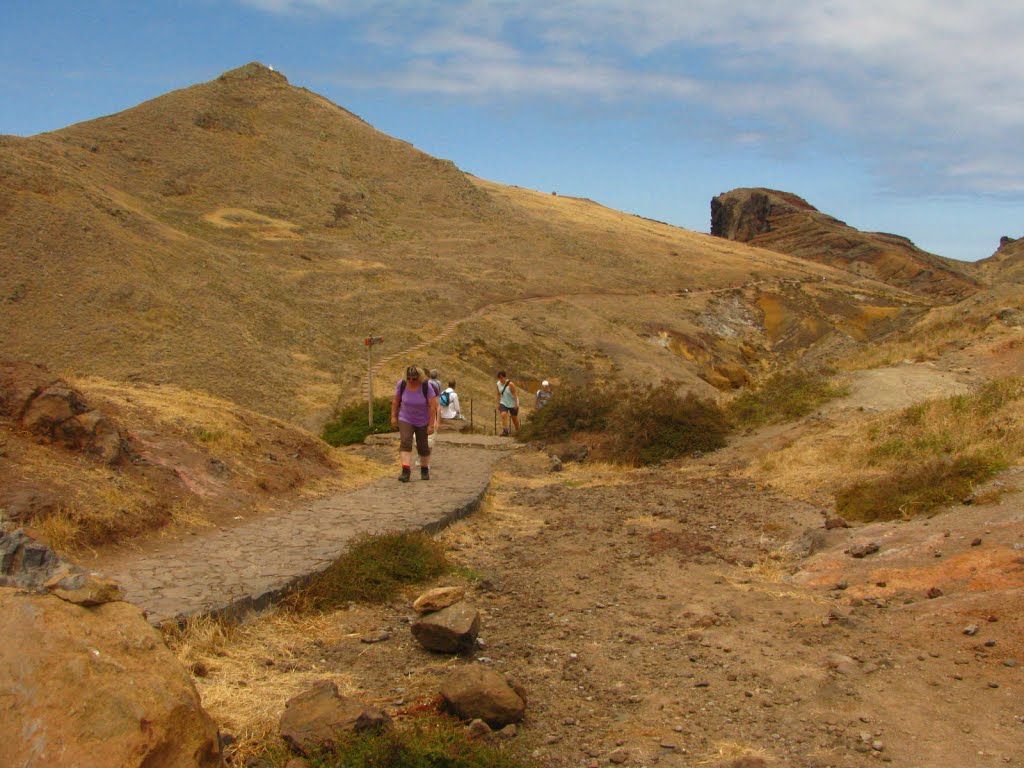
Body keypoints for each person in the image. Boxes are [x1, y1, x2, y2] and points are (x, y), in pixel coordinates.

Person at [391, 365, 438, 482]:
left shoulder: (426, 386)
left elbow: (433, 406)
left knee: (423, 447)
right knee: (405, 441)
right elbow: (396, 400)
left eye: (414, 378)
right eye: (409, 378)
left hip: (422, 420)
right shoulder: (401, 384)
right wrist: (393, 416)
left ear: (419, 378)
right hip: (405, 418)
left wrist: (431, 424)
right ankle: (405, 471)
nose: (411, 381)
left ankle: (424, 469)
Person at [495, 370, 520, 436]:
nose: (500, 379)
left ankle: (518, 431)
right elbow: (498, 394)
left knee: (514, 418)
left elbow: (515, 394)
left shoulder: (510, 384)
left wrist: (516, 403)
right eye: (499, 378)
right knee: (503, 414)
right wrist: (498, 404)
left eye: (502, 378)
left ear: (505, 377)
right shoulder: (498, 384)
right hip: (504, 402)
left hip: (512, 403)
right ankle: (505, 431)